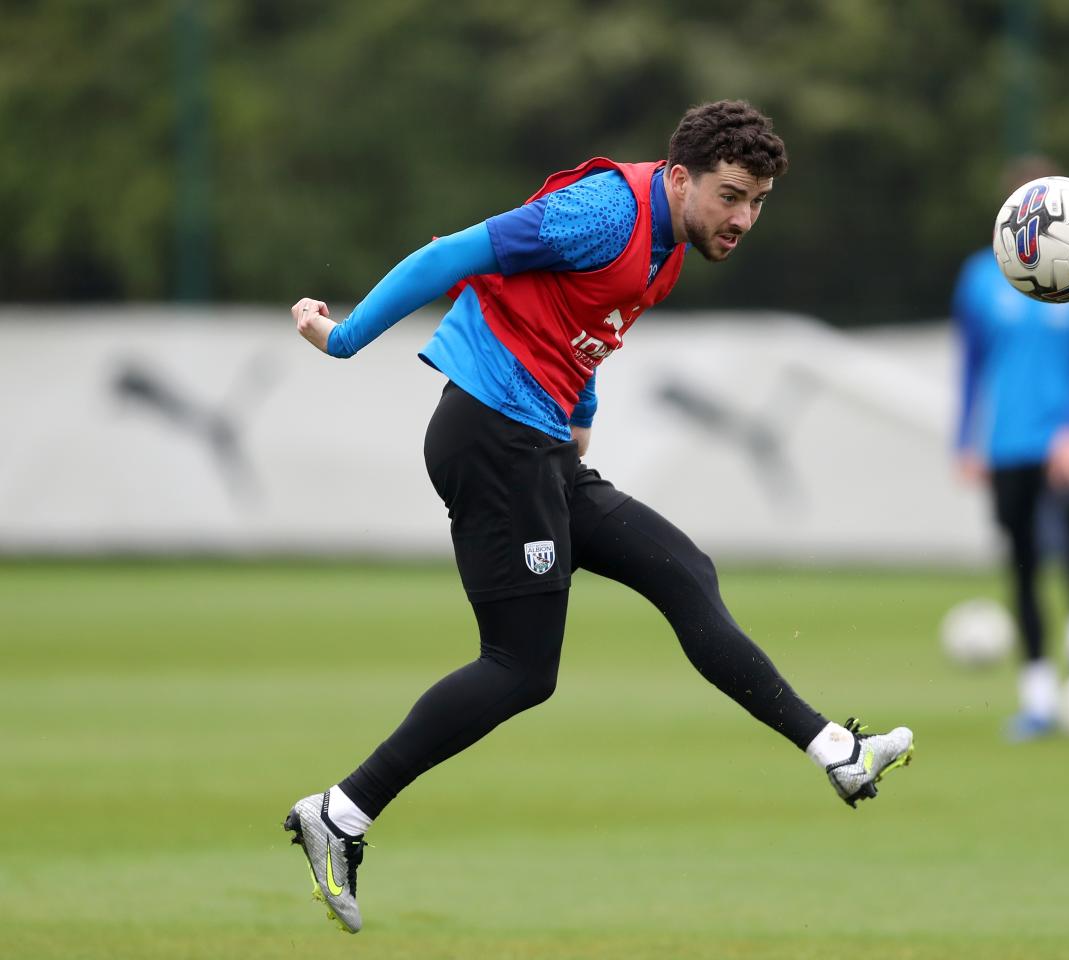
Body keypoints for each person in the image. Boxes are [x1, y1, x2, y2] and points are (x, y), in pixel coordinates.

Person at [282, 100, 915, 934]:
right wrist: (346, 338)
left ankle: (835, 751)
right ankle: (340, 813)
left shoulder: (667, 245)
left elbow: (580, 325)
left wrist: (580, 419)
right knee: (520, 667)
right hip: (493, 440)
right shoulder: (607, 209)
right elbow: (455, 254)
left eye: (758, 202)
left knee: (683, 570)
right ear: (682, 178)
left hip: (539, 447)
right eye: (731, 197)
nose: (744, 219)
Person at [951, 156, 1069, 742]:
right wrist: (965, 439)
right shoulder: (980, 277)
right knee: (1022, 563)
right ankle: (1038, 699)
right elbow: (972, 364)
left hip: (1066, 436)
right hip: (1006, 441)